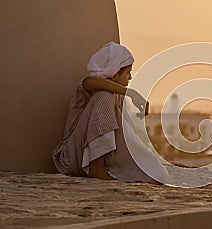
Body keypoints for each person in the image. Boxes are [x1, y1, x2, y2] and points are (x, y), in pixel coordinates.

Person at [52, 42, 168, 184]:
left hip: (101, 161)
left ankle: (102, 168)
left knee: (156, 174)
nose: (130, 77)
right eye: (127, 72)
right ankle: (96, 168)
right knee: (104, 96)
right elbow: (88, 82)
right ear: (114, 73)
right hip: (72, 157)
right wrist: (132, 94)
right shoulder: (95, 89)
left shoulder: (117, 95)